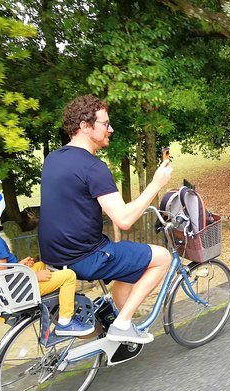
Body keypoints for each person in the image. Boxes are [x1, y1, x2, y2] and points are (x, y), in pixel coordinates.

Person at [38, 95, 173, 344]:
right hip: (86, 257)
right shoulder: (93, 168)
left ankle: (123, 320)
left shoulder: (53, 159)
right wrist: (156, 184)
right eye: (105, 124)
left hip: (54, 258)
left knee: (129, 259)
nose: (110, 129)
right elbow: (123, 220)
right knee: (162, 257)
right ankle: (122, 325)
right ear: (85, 126)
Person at [0, 186, 92, 336]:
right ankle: (66, 322)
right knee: (69, 276)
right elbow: (4, 275)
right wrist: (34, 277)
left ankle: (57, 302)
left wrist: (20, 265)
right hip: (19, 291)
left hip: (2, 290)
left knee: (41, 265)